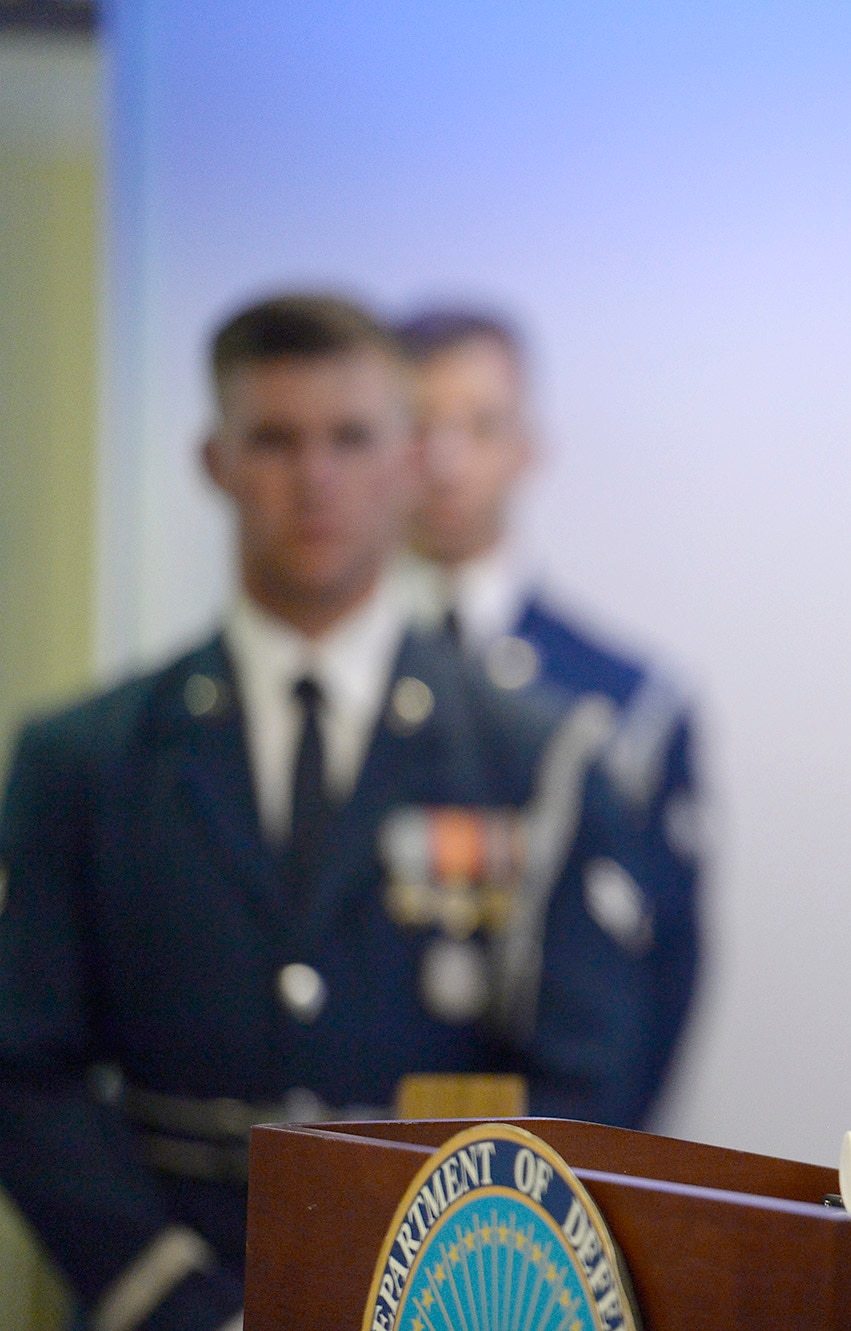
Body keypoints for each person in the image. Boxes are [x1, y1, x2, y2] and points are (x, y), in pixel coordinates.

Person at [0, 295, 665, 1331]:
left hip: (445, 1293)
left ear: (406, 460)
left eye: (350, 438)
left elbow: (587, 1077)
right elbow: (24, 1065)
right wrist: (163, 1292)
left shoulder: (535, 758)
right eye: (274, 439)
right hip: (163, 1290)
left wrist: (466, 1294)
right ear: (214, 461)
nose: (313, 478)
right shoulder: (85, 759)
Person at [393, 307, 700, 1124]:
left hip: (535, 1175)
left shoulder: (623, 705)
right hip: (335, 1153)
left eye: (480, 425)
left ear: (529, 446)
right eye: (419, 426)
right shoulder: (322, 688)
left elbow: (661, 975)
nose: (446, 459)